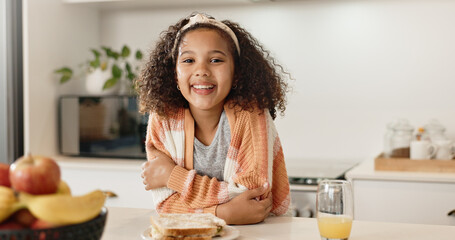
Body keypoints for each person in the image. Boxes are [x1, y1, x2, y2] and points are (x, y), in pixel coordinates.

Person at [137, 12, 291, 225]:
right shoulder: (163, 119)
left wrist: (174, 176)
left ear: (236, 72)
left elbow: (254, 199)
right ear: (175, 73)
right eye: (189, 60)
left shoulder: (252, 115)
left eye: (216, 60)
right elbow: (165, 204)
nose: (201, 71)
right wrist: (222, 214)